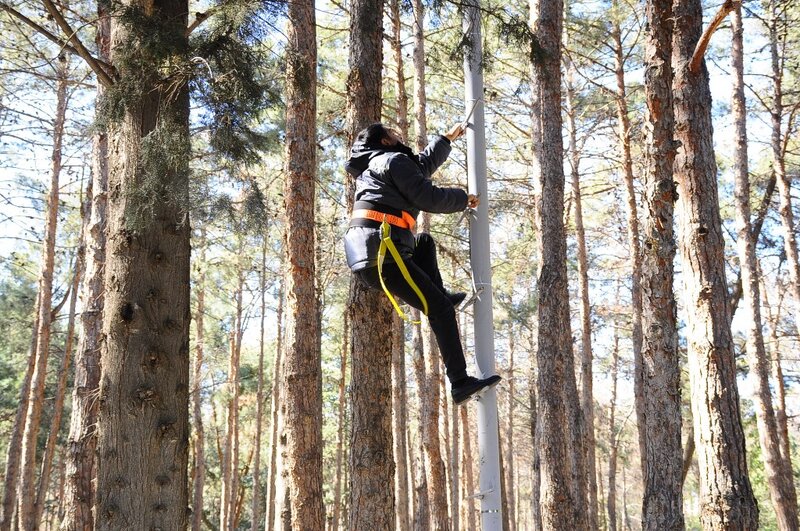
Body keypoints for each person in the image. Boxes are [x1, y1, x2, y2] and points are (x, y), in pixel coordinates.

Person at [343, 122, 501, 404]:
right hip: (383, 254)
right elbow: (427, 197)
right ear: (386, 141)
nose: (398, 134)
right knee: (438, 309)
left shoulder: (383, 163)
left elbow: (420, 168)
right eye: (393, 132)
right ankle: (460, 383)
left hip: (378, 251)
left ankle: (442, 297)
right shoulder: (392, 160)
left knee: (424, 243)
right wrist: (462, 198)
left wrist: (445, 140)